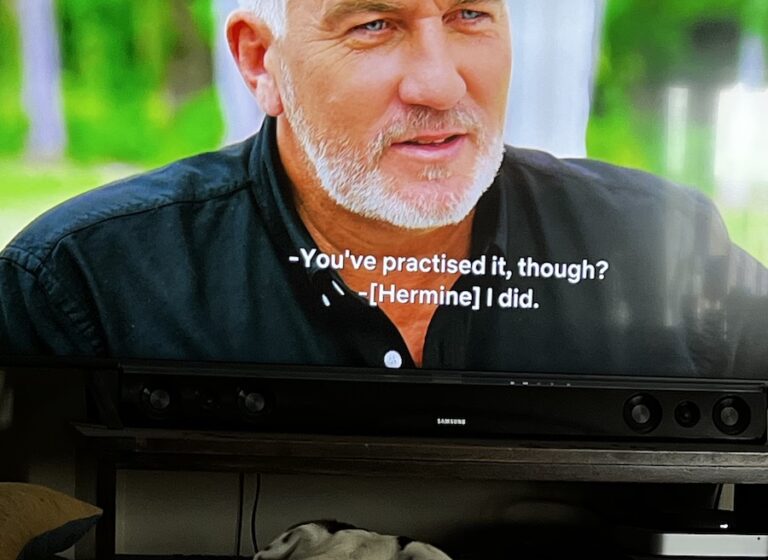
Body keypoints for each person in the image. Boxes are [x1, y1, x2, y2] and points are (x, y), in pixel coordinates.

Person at [0, 0, 766, 378]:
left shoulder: (665, 249)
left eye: (469, 14)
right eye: (374, 24)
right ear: (260, 62)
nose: (439, 82)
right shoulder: (84, 288)